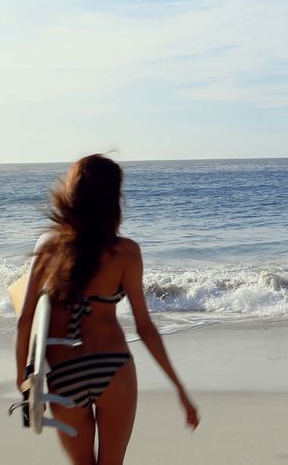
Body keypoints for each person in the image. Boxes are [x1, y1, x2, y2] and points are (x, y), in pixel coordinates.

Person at [15, 154, 199, 464]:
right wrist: (179, 387)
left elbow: (25, 320)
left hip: (64, 373)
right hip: (113, 367)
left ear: (72, 193)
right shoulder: (126, 252)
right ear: (114, 198)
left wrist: (24, 382)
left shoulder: (47, 246)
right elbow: (144, 326)